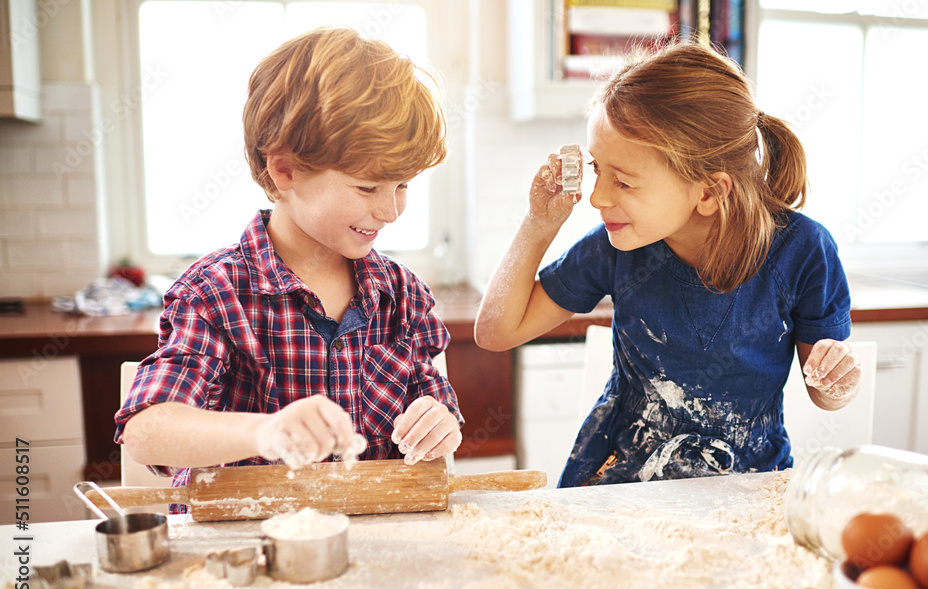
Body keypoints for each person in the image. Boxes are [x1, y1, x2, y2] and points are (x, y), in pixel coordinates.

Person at [474, 41, 859, 487]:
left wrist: (836, 378)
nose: (598, 198)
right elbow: (495, 333)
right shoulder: (617, 246)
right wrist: (539, 225)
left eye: (624, 181)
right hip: (619, 484)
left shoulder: (803, 251)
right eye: (600, 169)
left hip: (747, 486)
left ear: (710, 192)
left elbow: (826, 394)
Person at [116, 27, 463, 505]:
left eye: (402, 185)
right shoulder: (216, 291)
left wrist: (439, 422)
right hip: (242, 547)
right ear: (285, 171)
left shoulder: (403, 295)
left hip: (369, 544)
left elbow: (433, 397)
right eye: (366, 188)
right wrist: (265, 432)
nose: (390, 210)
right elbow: (147, 431)